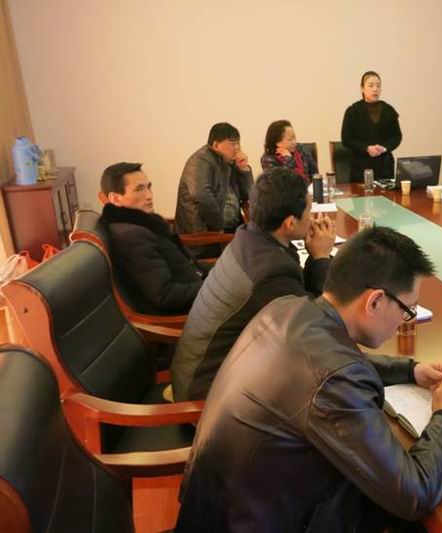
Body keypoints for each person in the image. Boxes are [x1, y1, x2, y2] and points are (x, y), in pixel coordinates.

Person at [176, 227, 442, 532]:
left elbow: (332, 363)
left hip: (223, 510)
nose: (404, 321)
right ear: (374, 301)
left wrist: (410, 371)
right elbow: (414, 493)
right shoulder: (334, 379)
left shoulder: (287, 307)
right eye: (406, 310)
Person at [170, 167, 335, 401]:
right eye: (309, 210)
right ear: (289, 223)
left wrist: (316, 256)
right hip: (208, 396)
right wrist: (320, 258)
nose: (313, 217)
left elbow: (298, 298)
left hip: (201, 372)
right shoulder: (270, 272)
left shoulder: (248, 237)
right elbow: (315, 325)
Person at [99, 162, 206, 314]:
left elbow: (186, 266)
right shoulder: (132, 237)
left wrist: (219, 275)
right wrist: (215, 286)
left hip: (199, 291)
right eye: (139, 189)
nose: (149, 195)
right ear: (115, 199)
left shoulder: (142, 225)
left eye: (148, 187)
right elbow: (166, 296)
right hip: (193, 311)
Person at [175, 122, 253, 234]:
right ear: (216, 145)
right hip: (203, 232)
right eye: (232, 143)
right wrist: (219, 227)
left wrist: (243, 168)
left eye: (238, 143)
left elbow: (249, 195)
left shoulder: (230, 161)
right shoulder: (200, 161)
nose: (237, 148)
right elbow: (203, 197)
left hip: (232, 229)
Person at [341, 70, 402, 182]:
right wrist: (366, 148)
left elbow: (397, 137)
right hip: (360, 166)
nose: (375, 89)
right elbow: (346, 139)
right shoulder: (353, 111)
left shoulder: (389, 110)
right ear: (362, 89)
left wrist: (384, 148)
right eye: (371, 85)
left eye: (378, 86)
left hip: (385, 165)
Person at [260, 119, 318, 183]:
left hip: (309, 188)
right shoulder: (268, 159)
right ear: (278, 142)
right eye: (290, 139)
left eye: (294, 137)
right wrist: (289, 159)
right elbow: (281, 182)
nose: (294, 142)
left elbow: (315, 174)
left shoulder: (300, 149)